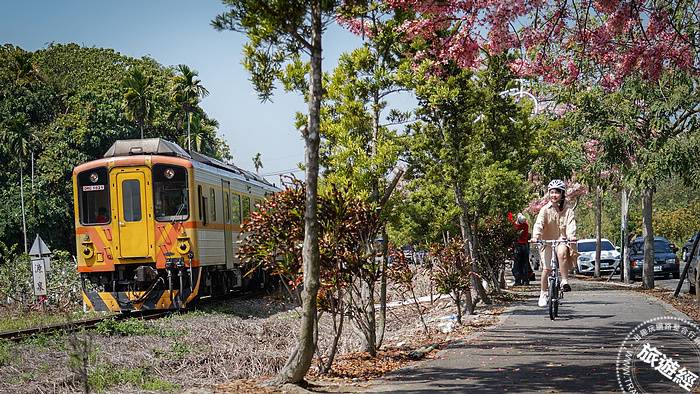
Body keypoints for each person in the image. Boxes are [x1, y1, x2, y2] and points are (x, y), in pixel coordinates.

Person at [530, 179, 577, 307]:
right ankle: (543, 293)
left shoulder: (568, 210)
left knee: (562, 253)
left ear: (562, 194)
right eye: (551, 192)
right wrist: (536, 236)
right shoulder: (544, 209)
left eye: (557, 192)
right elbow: (539, 224)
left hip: (562, 239)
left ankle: (564, 281)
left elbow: (571, 224)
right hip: (547, 242)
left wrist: (571, 235)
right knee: (547, 268)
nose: (554, 195)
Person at [511, 213, 530, 286]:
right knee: (525, 263)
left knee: (517, 263)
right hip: (525, 246)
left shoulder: (516, 226)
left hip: (518, 245)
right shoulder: (526, 225)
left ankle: (518, 280)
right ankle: (525, 280)